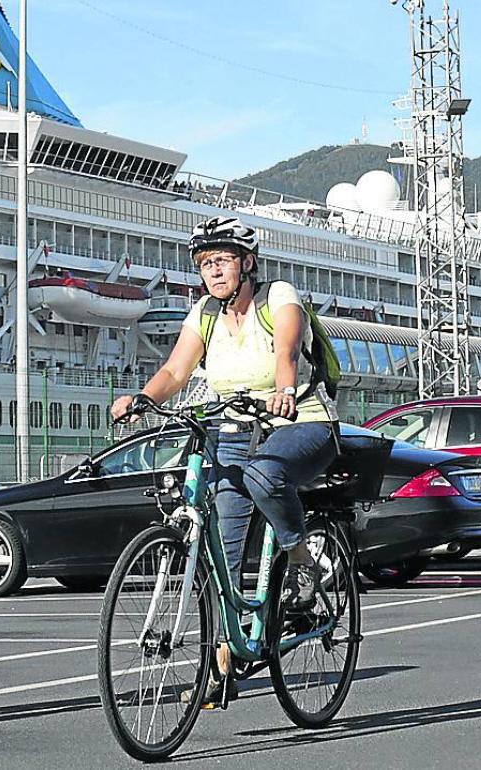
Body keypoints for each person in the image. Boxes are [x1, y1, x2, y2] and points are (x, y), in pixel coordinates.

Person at [110, 215, 339, 703]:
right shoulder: (205, 315)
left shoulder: (278, 297)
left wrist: (284, 390)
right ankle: (223, 659)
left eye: (223, 261)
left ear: (247, 263)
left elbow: (288, 349)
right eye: (205, 264)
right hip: (232, 430)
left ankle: (301, 561)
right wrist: (144, 398)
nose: (213, 272)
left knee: (264, 474)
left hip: (299, 422)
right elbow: (175, 369)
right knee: (220, 546)